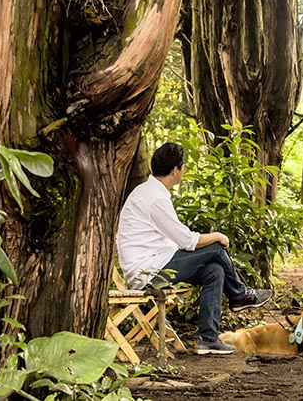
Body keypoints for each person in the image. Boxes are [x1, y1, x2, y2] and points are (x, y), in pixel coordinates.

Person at [116, 142, 272, 355]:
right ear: (176, 170)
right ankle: (240, 295)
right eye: (184, 167)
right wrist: (218, 235)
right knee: (216, 248)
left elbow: (178, 239)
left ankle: (208, 339)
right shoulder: (154, 198)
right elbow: (185, 240)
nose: (184, 171)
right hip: (149, 272)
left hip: (157, 262)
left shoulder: (150, 192)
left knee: (214, 271)